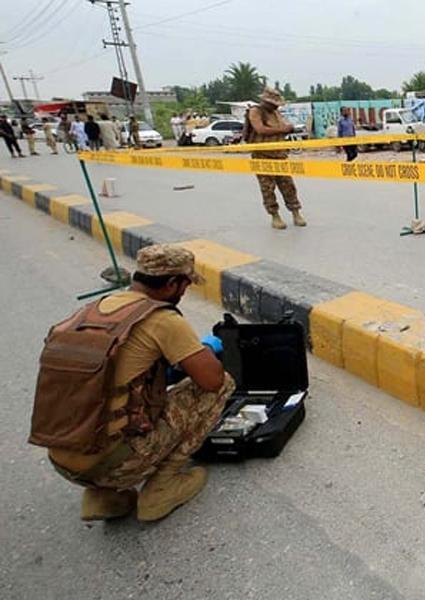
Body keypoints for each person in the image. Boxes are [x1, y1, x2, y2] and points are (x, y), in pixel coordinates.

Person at [37, 244, 235, 522]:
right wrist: (205, 349)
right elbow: (211, 380)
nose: (184, 292)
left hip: (63, 460)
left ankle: (102, 496)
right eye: (184, 285)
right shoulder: (162, 319)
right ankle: (161, 489)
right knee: (223, 384)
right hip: (114, 462)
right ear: (171, 284)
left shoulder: (93, 311)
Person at [243, 87, 306, 229]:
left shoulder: (276, 112)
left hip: (279, 155)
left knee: (288, 185)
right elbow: (260, 129)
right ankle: (275, 216)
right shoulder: (255, 111)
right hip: (262, 156)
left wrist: (288, 128)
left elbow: (281, 127)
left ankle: (296, 212)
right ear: (265, 101)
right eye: (274, 103)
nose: (276, 106)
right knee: (267, 188)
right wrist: (283, 130)